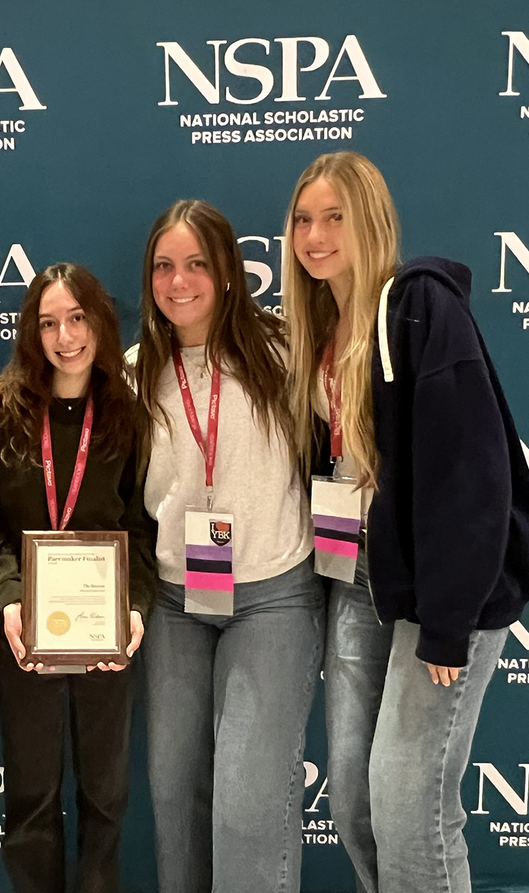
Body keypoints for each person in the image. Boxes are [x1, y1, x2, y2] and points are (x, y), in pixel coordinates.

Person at [283, 151, 529, 893]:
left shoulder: (421, 308)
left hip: (446, 589)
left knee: (410, 802)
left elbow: (472, 478)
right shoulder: (319, 328)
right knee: (356, 802)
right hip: (368, 577)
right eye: (303, 218)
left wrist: (447, 621)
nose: (315, 234)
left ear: (372, 221)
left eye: (335, 216)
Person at [131, 200, 323, 893]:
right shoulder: (135, 371)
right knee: (175, 795)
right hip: (176, 601)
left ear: (229, 273)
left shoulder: (282, 350)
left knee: (247, 803)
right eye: (163, 266)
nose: (178, 281)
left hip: (272, 596)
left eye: (196, 265)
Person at [0, 263, 156, 893]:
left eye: (77, 318)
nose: (65, 335)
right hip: (28, 635)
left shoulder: (128, 412)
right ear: (31, 333)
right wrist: (10, 600)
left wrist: (134, 608)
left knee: (105, 794)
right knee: (31, 795)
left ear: (101, 320)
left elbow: (143, 526)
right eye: (48, 323)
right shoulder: (2, 410)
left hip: (107, 636)